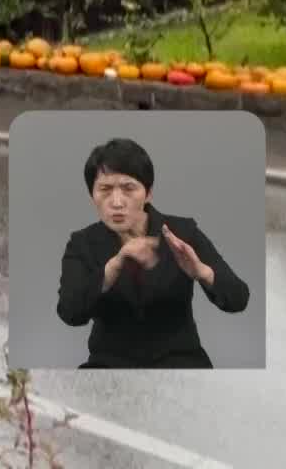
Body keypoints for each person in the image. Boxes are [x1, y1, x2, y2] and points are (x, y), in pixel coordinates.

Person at [55, 137, 250, 367]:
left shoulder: (183, 232)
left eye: (129, 189)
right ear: (92, 196)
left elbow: (239, 298)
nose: (116, 202)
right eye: (105, 190)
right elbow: (69, 312)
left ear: (148, 193)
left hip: (180, 362)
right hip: (110, 365)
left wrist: (202, 272)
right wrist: (114, 266)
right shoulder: (82, 243)